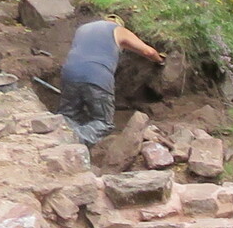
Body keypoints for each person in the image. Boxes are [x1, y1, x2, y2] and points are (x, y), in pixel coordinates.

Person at [58, 15, 163, 145]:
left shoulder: (82, 29)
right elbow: (148, 52)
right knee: (103, 123)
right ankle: (74, 138)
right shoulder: (117, 29)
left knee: (68, 115)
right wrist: (160, 60)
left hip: (69, 72)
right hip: (97, 74)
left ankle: (59, 137)